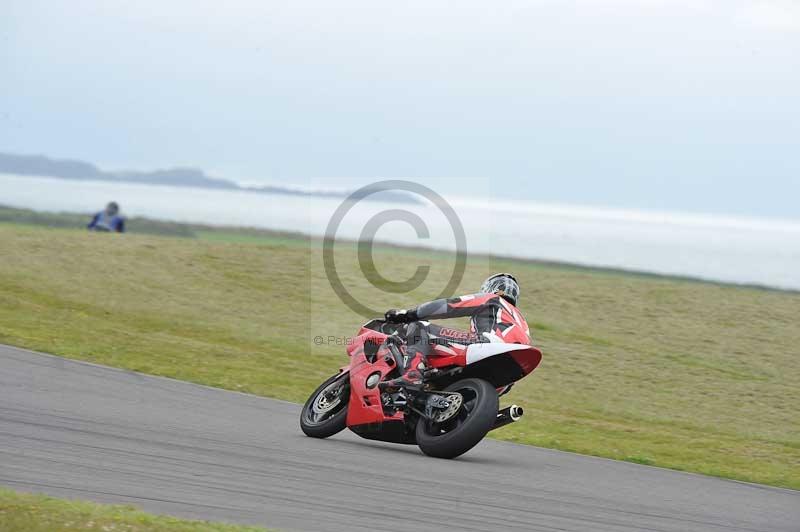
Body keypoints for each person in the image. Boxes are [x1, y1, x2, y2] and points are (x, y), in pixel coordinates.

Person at [382, 273, 524, 387]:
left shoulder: (492, 299)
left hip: (487, 343)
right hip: (507, 374)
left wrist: (408, 314)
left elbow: (450, 306)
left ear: (490, 287)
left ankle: (413, 374)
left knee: (419, 327)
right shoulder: (522, 321)